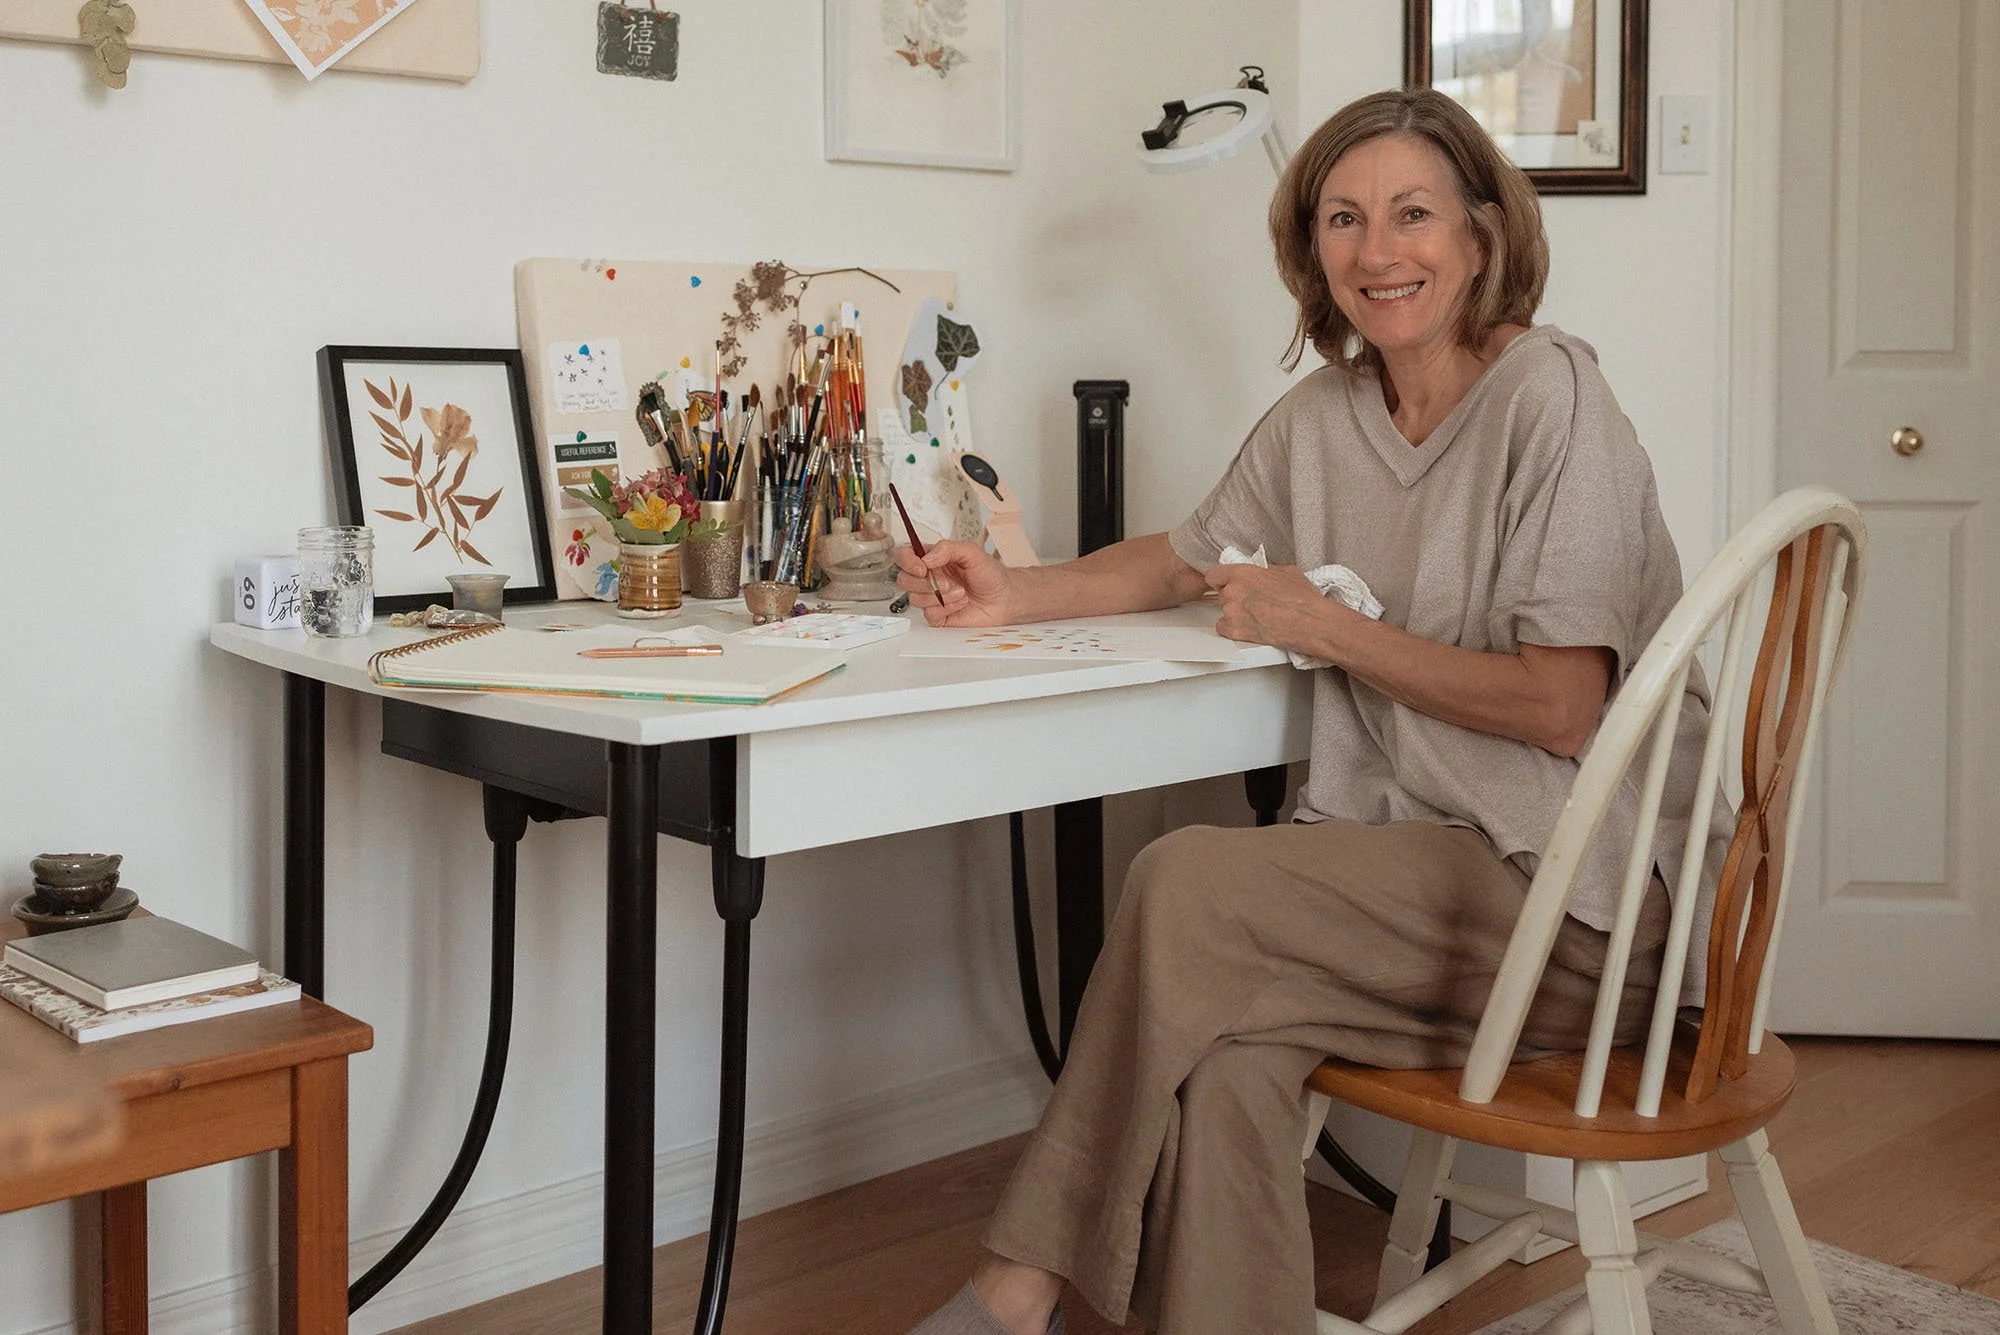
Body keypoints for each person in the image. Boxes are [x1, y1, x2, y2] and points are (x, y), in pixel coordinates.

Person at [902, 87, 1719, 1335]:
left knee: (1181, 882)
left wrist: (1324, 626)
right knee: (1224, 1062)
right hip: (1427, 893)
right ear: (1309, 247)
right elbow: (1183, 556)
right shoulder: (1324, 418)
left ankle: (1018, 1287)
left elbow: (1562, 707)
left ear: (1483, 238)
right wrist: (1007, 591)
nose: (1374, 251)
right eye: (1342, 218)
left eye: (1410, 215)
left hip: (1584, 918)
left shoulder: (1551, 397)